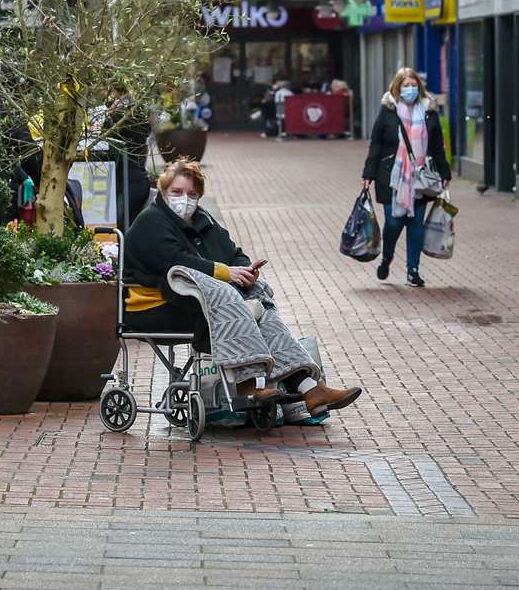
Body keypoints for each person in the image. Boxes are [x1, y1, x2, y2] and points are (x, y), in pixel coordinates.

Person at [122, 160, 363, 415]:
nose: (184, 199)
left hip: (193, 302)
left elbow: (235, 254)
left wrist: (245, 271)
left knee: (258, 299)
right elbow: (176, 262)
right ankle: (251, 383)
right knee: (228, 298)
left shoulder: (203, 221)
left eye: (192, 194)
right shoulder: (151, 221)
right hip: (156, 306)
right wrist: (226, 273)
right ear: (163, 192)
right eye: (177, 193)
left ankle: (309, 387)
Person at [361, 68, 451, 288]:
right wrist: (368, 174)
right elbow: (376, 144)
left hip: (421, 176)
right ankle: (387, 257)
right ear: (397, 88)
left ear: (419, 87)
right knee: (393, 223)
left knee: (415, 224)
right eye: (405, 85)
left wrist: (444, 171)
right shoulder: (388, 111)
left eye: (413, 85)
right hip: (392, 176)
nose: (410, 89)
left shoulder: (429, 111)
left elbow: (437, 145)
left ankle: (413, 271)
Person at [106, 86, 153, 226]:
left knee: (122, 229)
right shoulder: (128, 111)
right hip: (132, 182)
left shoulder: (126, 114)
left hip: (130, 183)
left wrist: (108, 119)